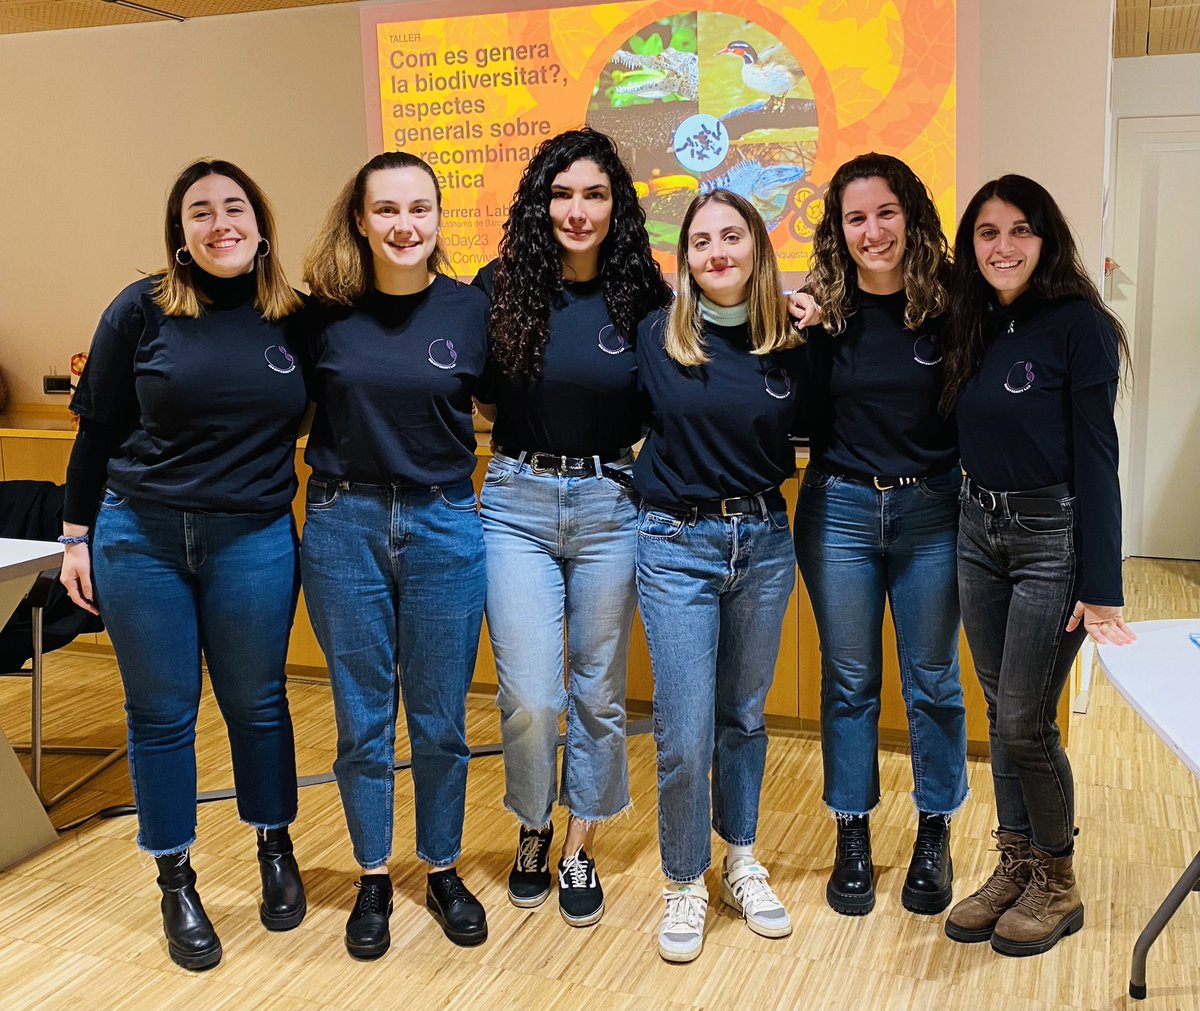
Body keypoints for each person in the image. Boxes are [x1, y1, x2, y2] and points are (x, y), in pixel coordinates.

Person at [59, 158, 307, 971]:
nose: (219, 222)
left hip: (255, 538)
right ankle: (176, 879)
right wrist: (74, 538)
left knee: (258, 702)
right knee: (161, 712)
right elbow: (95, 429)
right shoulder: (139, 311)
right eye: (199, 212)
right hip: (143, 536)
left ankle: (275, 847)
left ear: (261, 224)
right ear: (180, 235)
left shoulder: (294, 319)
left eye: (233, 207)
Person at [472, 127, 672, 927]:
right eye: (561, 194)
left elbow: (674, 397)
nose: (577, 209)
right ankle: (532, 824)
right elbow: (482, 395)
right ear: (539, 203)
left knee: (597, 692)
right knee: (528, 695)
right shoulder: (501, 285)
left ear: (615, 204)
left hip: (610, 504)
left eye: (594, 194)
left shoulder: (644, 296)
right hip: (515, 499)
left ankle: (579, 844)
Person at [300, 152, 490, 956]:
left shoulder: (471, 309)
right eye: (386, 210)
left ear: (440, 219)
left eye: (420, 209)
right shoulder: (321, 316)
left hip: (447, 523)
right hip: (345, 525)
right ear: (359, 220)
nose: (405, 225)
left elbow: (509, 401)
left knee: (442, 719)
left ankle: (441, 866)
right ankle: (374, 874)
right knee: (362, 718)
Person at [940, 174, 1135, 956]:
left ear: (1046, 239)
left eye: (1020, 229)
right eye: (988, 232)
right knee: (1002, 715)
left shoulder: (1079, 326)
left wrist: (1102, 587)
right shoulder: (971, 321)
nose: (1004, 246)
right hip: (975, 530)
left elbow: (1098, 456)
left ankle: (1057, 878)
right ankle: (1015, 860)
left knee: (1023, 719)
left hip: (1051, 540)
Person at [794, 152, 968, 918]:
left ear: (912, 214)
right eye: (855, 218)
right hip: (839, 512)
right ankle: (853, 831)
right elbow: (793, 414)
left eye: (885, 213)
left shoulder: (956, 304)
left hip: (932, 511)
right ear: (839, 229)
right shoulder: (821, 314)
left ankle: (935, 830)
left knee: (932, 680)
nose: (873, 231)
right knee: (851, 682)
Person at [634, 188, 805, 963]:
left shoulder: (791, 341)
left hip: (765, 540)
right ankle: (682, 881)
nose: (716, 252)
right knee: (684, 729)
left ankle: (739, 858)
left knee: (743, 714)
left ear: (758, 246)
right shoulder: (656, 337)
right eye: (700, 242)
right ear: (685, 260)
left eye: (731, 236)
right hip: (676, 543)